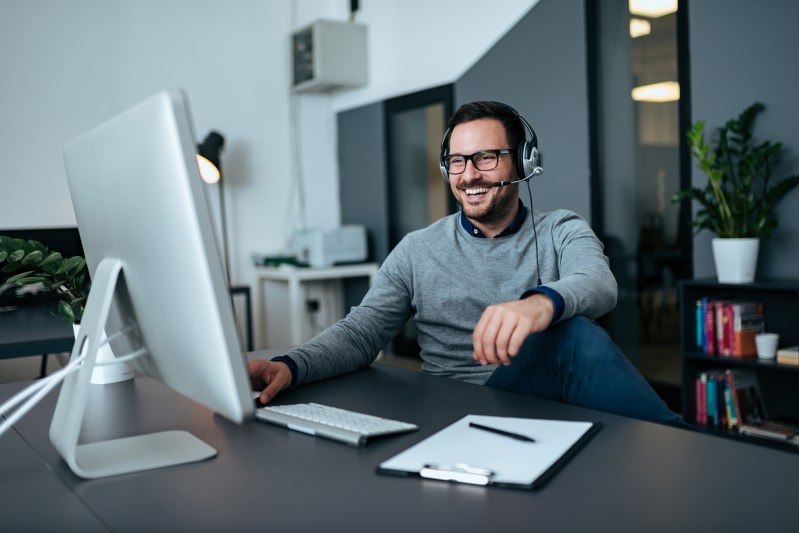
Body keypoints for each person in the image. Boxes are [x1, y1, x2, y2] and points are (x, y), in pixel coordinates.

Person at [249, 100, 685, 428]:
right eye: (457, 161)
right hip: (454, 409)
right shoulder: (418, 248)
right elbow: (362, 332)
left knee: (569, 334)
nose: (469, 174)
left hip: (541, 401)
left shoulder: (560, 229)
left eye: (486, 158)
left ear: (524, 161)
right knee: (569, 336)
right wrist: (290, 365)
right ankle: (688, 446)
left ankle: (682, 448)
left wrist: (539, 304)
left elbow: (598, 282)